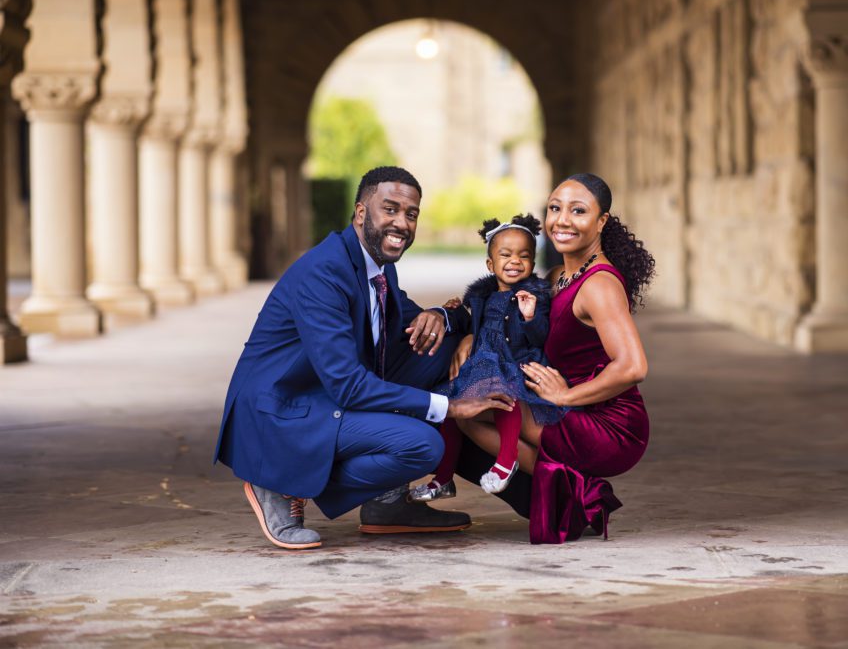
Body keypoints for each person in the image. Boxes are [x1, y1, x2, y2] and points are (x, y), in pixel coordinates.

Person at [213, 166, 513, 550]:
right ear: (360, 213)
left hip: (325, 391)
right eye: (390, 209)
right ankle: (278, 479)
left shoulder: (376, 268)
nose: (401, 223)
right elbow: (348, 385)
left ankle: (385, 506)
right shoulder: (324, 273)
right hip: (284, 409)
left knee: (443, 347)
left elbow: (414, 321)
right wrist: (447, 406)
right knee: (423, 444)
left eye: (411, 214)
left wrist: (444, 317)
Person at [456, 173, 655, 544]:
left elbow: (633, 366)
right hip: (568, 408)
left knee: (480, 407)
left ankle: (583, 495)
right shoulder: (556, 276)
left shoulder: (599, 285)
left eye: (578, 211)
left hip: (609, 424)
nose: (561, 220)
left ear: (601, 221)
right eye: (554, 208)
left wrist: (565, 397)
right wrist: (470, 334)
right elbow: (507, 318)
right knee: (469, 412)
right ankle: (575, 491)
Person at [409, 213, 566, 502]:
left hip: (517, 368)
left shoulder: (535, 297)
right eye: (505, 255)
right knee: (450, 408)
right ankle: (443, 478)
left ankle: (507, 460)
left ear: (533, 263)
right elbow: (474, 325)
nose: (515, 261)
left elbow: (542, 337)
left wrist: (530, 317)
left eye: (524, 256)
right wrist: (456, 314)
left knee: (500, 391)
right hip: (483, 367)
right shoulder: (482, 298)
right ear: (490, 264)